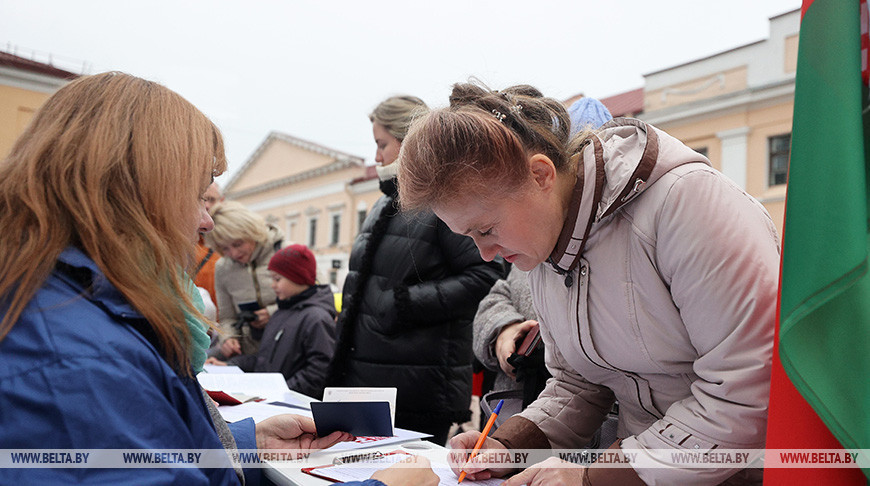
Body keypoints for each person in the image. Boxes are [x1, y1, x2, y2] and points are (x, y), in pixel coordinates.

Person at [0, 71, 438, 486]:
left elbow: (161, 451)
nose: (206, 222)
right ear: (136, 193)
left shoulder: (72, 316)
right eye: (195, 194)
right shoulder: (83, 364)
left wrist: (246, 444)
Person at [397, 82, 779, 485]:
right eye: (468, 237)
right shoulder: (546, 247)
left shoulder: (687, 206)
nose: (485, 254)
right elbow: (579, 383)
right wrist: (509, 447)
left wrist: (597, 476)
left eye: (487, 229)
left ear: (540, 174)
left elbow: (748, 389)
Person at [327, 95, 505, 446]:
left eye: (382, 144)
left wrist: (405, 303)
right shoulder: (384, 202)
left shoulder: (443, 199)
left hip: (418, 389)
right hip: (368, 382)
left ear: (407, 140)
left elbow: (486, 276)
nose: (376, 156)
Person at [473, 95, 612, 405]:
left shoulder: (615, 245)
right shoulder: (530, 238)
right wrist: (504, 332)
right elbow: (496, 296)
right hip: (524, 404)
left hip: (582, 415)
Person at [208, 244, 337, 399]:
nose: (272, 285)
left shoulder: (316, 318)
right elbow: (264, 361)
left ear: (298, 277)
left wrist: (281, 393)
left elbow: (318, 371)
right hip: (274, 400)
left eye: (277, 279)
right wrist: (229, 366)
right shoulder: (280, 314)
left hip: (292, 406)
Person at [204, 200, 283, 359]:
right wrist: (228, 338)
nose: (233, 253)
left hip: (285, 348)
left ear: (251, 232)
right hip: (248, 353)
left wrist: (272, 313)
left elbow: (317, 298)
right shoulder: (222, 268)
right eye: (225, 248)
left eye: (238, 244)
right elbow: (227, 317)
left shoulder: (286, 252)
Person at [194, 181, 225, 309]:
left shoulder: (232, 239)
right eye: (202, 199)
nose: (206, 205)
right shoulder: (188, 239)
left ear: (222, 201)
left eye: (211, 200)